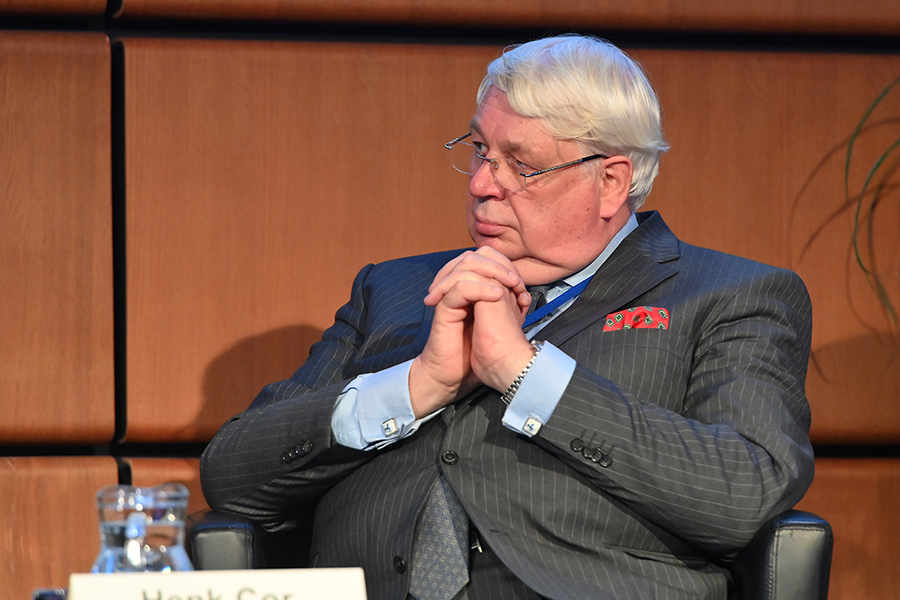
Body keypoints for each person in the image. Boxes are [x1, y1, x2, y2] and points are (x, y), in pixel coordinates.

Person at [200, 34, 814, 600]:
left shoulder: (731, 295)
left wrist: (526, 373)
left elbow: (743, 491)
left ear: (610, 182)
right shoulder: (394, 288)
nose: (482, 185)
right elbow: (233, 475)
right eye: (479, 152)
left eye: (521, 164)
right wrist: (415, 388)